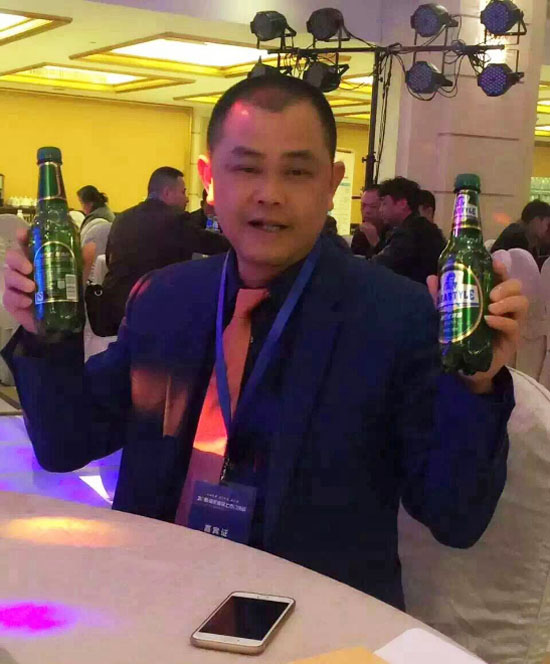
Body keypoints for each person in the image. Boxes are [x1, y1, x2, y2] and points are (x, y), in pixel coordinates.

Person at [3, 75, 526, 610]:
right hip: (153, 600)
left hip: (318, 621)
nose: (270, 194)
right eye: (247, 167)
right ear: (210, 178)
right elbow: (65, 445)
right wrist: (46, 338)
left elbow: (455, 517)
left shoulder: (395, 315)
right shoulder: (166, 298)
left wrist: (476, 386)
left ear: (331, 183)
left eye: (297, 171)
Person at [94, 167, 229, 334]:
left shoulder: (122, 218)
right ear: (167, 193)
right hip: (154, 309)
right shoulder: (175, 219)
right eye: (183, 192)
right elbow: (213, 244)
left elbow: (109, 260)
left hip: (115, 308)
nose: (187, 199)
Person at [373, 177, 446, 284]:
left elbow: (380, 266)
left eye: (384, 203)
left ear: (402, 204)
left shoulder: (408, 233)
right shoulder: (425, 228)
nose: (380, 210)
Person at [491, 199, 550, 268]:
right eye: (547, 224)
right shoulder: (516, 237)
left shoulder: (530, 238)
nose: (547, 229)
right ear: (536, 220)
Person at [77, 185, 115, 277]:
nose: (82, 208)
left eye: (82, 203)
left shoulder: (98, 220)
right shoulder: (105, 212)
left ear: (89, 204)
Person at [351, 185, 387, 258]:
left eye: (373, 206)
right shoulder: (361, 232)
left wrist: (375, 242)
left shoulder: (395, 233)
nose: (367, 211)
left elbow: (389, 262)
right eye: (363, 205)